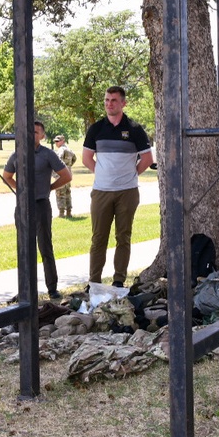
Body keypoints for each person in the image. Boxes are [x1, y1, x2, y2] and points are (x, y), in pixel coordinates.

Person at [82, 86, 153, 287]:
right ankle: (94, 281)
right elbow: (87, 158)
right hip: (101, 192)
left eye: (113, 100)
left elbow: (147, 158)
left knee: (123, 237)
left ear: (123, 103)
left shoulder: (135, 129)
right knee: (98, 238)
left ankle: (119, 280)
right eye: (106, 100)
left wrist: (131, 174)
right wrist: (103, 174)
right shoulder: (96, 129)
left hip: (127, 192)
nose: (109, 104)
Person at [2, 120, 72, 299]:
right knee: (24, 249)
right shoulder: (17, 154)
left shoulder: (48, 154)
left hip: (41, 205)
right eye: (29, 131)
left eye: (35, 132)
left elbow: (66, 175)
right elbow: (7, 176)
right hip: (23, 207)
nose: (31, 134)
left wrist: (49, 187)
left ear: (42, 136)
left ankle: (52, 288)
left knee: (45, 247)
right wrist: (21, 191)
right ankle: (25, 290)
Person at [53, 134, 77, 218]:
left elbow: (57, 160)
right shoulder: (69, 150)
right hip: (68, 174)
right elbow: (74, 159)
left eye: (58, 141)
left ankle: (61, 213)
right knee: (67, 193)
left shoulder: (61, 150)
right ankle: (69, 212)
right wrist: (69, 166)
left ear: (63, 141)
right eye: (55, 141)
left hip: (60, 175)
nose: (56, 143)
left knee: (60, 193)